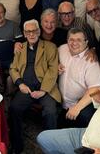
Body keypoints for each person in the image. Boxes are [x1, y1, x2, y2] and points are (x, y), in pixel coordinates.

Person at [9, 19, 61, 154]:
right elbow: (13, 68)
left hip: (45, 88)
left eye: (34, 31)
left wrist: (43, 90)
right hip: (26, 88)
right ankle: (17, 145)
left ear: (38, 31)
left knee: (51, 112)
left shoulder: (50, 47)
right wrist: (20, 84)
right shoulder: (20, 48)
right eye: (28, 32)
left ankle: (52, 147)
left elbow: (53, 69)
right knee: (14, 108)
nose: (31, 34)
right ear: (25, 34)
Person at [58, 28, 100, 128]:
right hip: (61, 105)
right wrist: (55, 65)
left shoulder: (91, 61)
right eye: (71, 40)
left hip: (78, 106)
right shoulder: (62, 49)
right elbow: (50, 60)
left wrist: (77, 108)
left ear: (86, 42)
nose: (74, 43)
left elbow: (96, 89)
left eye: (79, 40)